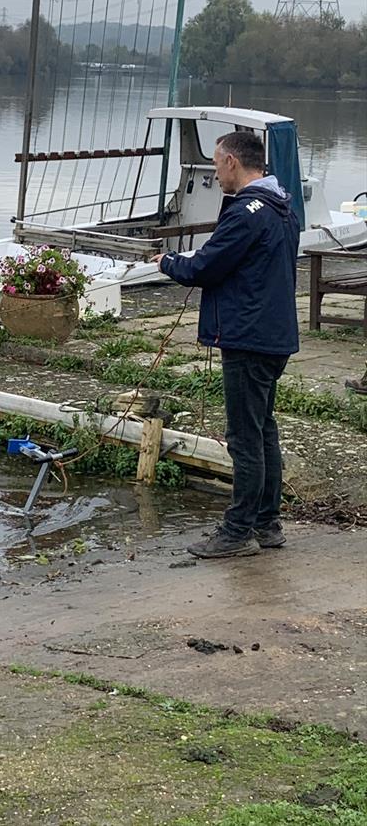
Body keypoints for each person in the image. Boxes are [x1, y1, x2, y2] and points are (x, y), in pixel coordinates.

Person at [153, 131, 300, 559]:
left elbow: (206, 265)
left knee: (243, 437)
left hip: (249, 337)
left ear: (233, 162)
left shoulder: (247, 212)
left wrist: (167, 262)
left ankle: (237, 532)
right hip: (274, 335)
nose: (216, 174)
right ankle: (267, 523)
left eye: (217, 165)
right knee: (263, 429)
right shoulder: (283, 207)